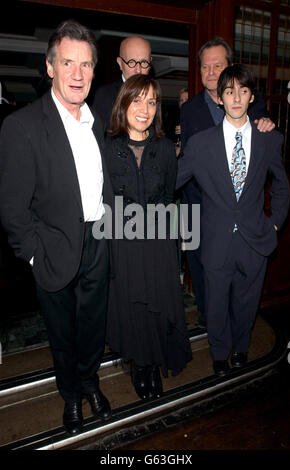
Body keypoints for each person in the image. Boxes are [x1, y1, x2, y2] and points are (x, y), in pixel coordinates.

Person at [0, 20, 114, 435]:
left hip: (97, 242)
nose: (78, 74)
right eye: (68, 63)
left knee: (92, 328)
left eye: (85, 65)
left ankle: (91, 383)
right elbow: (12, 208)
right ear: (50, 67)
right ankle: (70, 395)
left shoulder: (96, 120)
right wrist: (32, 254)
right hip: (52, 250)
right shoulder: (21, 126)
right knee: (62, 335)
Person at [176, 64, 290, 376]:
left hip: (255, 240)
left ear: (251, 97)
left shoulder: (269, 139)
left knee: (245, 302)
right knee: (215, 304)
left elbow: (282, 186)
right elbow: (171, 180)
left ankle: (241, 348)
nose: (236, 97)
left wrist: (275, 224)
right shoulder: (200, 144)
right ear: (220, 99)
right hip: (215, 240)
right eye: (229, 91)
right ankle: (219, 352)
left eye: (243, 90)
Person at [104, 74, 192, 400]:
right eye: (137, 100)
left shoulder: (167, 149)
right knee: (132, 307)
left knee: (157, 305)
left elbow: (169, 197)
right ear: (123, 103)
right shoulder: (107, 149)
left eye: (152, 101)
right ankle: (140, 365)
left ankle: (154, 364)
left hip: (158, 244)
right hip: (122, 244)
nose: (145, 108)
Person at [180, 37, 276, 331]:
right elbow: (186, 162)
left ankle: (236, 325)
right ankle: (211, 322)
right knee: (201, 267)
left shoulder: (252, 104)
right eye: (205, 67)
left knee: (239, 270)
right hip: (196, 206)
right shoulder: (189, 108)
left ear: (230, 66)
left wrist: (268, 124)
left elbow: (265, 146)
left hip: (237, 211)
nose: (210, 72)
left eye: (217, 65)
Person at [92, 36, 152, 130]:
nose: (138, 70)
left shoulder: (154, 96)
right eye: (132, 62)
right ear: (120, 63)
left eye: (144, 62)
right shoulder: (105, 95)